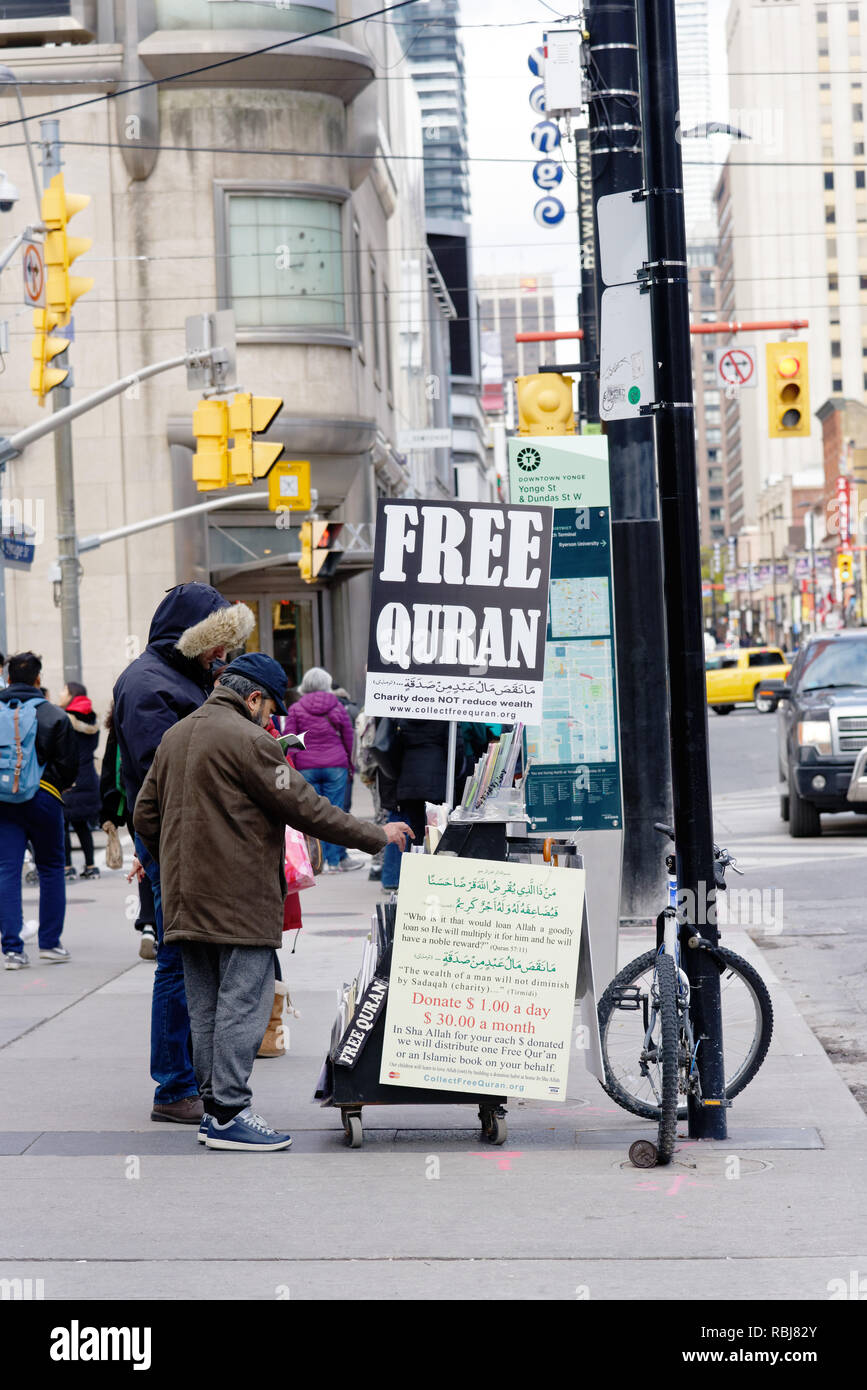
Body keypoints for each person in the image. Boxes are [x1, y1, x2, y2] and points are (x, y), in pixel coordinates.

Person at [133, 652, 413, 1152]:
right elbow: (307, 806)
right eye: (269, 710)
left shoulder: (175, 736)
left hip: (183, 900)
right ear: (253, 697)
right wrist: (374, 834)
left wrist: (177, 864)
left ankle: (213, 1110)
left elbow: (145, 814)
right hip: (238, 900)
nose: (271, 721)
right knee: (243, 1002)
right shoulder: (250, 741)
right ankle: (230, 1114)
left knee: (205, 1006)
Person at [113, 582, 255, 1126]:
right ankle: (174, 1086)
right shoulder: (152, 685)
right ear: (192, 639)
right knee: (179, 957)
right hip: (176, 840)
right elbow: (164, 777)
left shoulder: (175, 678)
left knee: (190, 954)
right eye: (216, 644)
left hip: (184, 837)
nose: (221, 655)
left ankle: (188, 1078)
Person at [0, 652, 78, 969]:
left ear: (7, 679)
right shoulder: (54, 715)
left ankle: (13, 950)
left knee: (7, 871)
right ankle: (49, 943)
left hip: (4, 799)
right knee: (50, 867)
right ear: (38, 679)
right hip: (44, 797)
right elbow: (69, 767)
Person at [280, 667, 359, 873]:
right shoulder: (338, 706)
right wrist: (350, 765)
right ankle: (334, 861)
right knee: (335, 813)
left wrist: (296, 763)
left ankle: (317, 861)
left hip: (307, 767)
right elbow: (348, 737)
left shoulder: (296, 708)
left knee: (311, 813)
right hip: (336, 765)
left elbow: (290, 738)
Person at [100, 702, 158, 960]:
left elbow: (109, 765)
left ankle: (148, 926)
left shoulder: (120, 719)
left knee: (144, 861)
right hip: (162, 798)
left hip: (136, 802)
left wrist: (109, 813)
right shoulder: (165, 709)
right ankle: (164, 925)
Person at [380, 719, 452, 892]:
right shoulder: (444, 718)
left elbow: (393, 749)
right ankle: (434, 878)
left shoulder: (403, 719)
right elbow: (455, 749)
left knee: (416, 834)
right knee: (438, 832)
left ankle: (414, 878)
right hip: (437, 780)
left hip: (409, 781)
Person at [59, 682, 102, 881]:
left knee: (64, 822)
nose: (61, 694)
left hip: (71, 779)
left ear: (71, 694)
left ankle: (67, 866)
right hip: (89, 778)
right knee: (82, 824)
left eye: (64, 690)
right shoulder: (92, 718)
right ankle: (91, 865)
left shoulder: (65, 718)